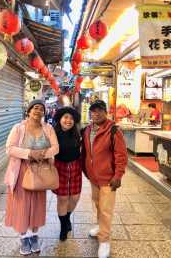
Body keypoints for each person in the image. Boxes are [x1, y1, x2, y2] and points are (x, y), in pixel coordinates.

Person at [4, 99, 59, 255]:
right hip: (21, 171)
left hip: (40, 171)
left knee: (37, 204)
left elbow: (56, 147)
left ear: (44, 112)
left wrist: (42, 154)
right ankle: (23, 237)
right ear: (28, 111)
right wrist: (29, 153)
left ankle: (34, 235)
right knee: (21, 205)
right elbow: (9, 148)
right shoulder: (18, 128)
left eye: (41, 109)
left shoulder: (48, 128)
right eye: (35, 108)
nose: (38, 111)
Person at [81, 100, 128, 258]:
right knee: (97, 204)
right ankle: (100, 227)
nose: (96, 113)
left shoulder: (114, 130)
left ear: (105, 112)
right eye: (93, 111)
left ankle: (105, 240)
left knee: (106, 210)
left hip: (108, 178)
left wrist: (118, 175)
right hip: (93, 177)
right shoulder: (87, 130)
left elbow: (121, 155)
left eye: (100, 110)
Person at [52, 107, 82, 241]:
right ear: (60, 119)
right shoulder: (52, 133)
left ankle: (67, 217)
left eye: (71, 118)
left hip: (75, 166)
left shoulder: (78, 133)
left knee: (75, 197)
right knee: (62, 198)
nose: (68, 120)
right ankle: (64, 226)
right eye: (65, 117)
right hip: (59, 167)